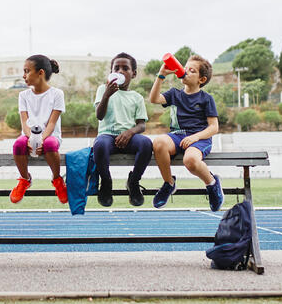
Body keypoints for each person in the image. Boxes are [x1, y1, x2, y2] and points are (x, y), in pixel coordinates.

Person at [148, 54, 224, 211]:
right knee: (158, 142)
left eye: (192, 71)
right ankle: (169, 183)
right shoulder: (174, 94)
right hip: (177, 136)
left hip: (199, 139)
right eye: (185, 68)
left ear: (201, 80)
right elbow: (154, 99)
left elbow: (214, 127)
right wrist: (161, 75)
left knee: (190, 161)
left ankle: (212, 183)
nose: (185, 72)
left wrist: (194, 137)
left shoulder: (206, 98)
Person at [93, 52, 152, 207]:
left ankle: (133, 182)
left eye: (125, 68)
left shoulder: (136, 97)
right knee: (99, 145)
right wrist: (106, 95)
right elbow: (99, 116)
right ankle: (106, 183)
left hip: (129, 137)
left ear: (133, 74)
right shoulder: (102, 89)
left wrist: (129, 132)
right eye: (116, 68)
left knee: (146, 143)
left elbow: (141, 125)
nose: (120, 71)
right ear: (111, 72)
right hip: (107, 136)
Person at [10, 54, 68, 204]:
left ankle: (57, 179)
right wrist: (31, 139)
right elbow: (24, 121)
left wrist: (40, 140)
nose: (24, 76)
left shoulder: (57, 94)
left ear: (40, 73)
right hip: (28, 136)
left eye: (27, 71)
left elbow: (51, 123)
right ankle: (25, 179)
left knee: (50, 144)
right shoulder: (23, 95)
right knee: (18, 144)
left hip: (50, 136)